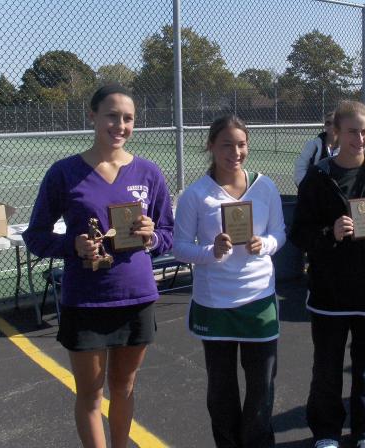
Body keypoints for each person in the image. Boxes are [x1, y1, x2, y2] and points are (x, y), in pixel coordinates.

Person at [23, 84, 174, 448]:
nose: (120, 126)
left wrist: (151, 237)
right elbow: (36, 236)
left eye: (128, 118)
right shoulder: (64, 173)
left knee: (124, 387)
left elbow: (168, 234)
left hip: (136, 297)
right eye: (112, 116)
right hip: (87, 299)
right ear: (92, 116)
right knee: (90, 395)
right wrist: (72, 246)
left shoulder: (148, 173)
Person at [289, 100, 365, 448]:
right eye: (352, 131)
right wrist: (330, 233)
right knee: (327, 368)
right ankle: (326, 432)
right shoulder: (318, 178)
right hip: (330, 292)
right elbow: (299, 233)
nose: (360, 139)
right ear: (336, 133)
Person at [172, 115, 286, 448]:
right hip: (215, 304)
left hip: (259, 300)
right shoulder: (196, 194)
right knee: (221, 389)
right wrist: (212, 251)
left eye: (241, 144)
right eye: (226, 145)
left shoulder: (265, 186)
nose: (235, 152)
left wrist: (264, 244)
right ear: (211, 146)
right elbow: (180, 247)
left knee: (262, 385)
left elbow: (279, 233)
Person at [294, 111, 338, 186]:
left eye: (335, 123)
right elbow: (300, 168)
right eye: (328, 123)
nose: (331, 126)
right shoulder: (313, 145)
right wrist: (308, 187)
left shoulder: (346, 147)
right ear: (324, 126)